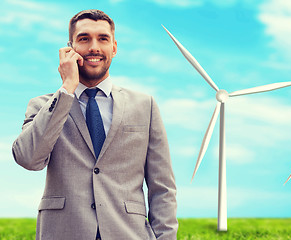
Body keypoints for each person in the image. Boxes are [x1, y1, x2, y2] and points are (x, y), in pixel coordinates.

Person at [12, 9, 178, 240]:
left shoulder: (145, 105)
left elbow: (162, 188)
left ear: (114, 47)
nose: (94, 47)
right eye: (84, 38)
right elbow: (28, 158)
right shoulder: (43, 105)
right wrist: (67, 88)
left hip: (128, 232)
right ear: (69, 48)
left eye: (103, 39)